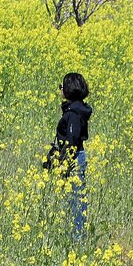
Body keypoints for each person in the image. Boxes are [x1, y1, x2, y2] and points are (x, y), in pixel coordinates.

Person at [45, 72, 92, 240]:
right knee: (74, 199)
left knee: (76, 201)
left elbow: (72, 141)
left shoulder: (73, 113)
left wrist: (63, 161)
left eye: (62, 87)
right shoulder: (77, 109)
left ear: (69, 90)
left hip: (73, 159)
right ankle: (75, 236)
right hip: (76, 156)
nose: (61, 90)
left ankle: (78, 239)